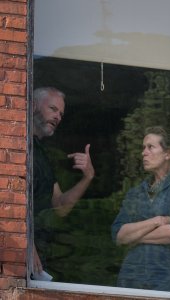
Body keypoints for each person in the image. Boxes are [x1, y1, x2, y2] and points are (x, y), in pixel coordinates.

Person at [111, 126, 170, 292]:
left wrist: (135, 236)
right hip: (130, 280)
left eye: (150, 147)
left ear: (168, 153)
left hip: (167, 280)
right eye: (143, 148)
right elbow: (119, 235)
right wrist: (158, 221)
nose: (144, 153)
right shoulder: (136, 192)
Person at [32, 87, 95, 277]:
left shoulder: (41, 153)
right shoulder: (13, 144)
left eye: (61, 113)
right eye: (53, 109)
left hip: (37, 258)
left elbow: (60, 206)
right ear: (33, 105)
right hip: (17, 253)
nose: (58, 117)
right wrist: (26, 242)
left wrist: (88, 177)